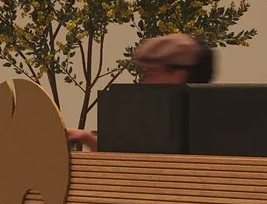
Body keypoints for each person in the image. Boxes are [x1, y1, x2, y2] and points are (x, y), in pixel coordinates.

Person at [69, 33, 215, 148]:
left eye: (151, 73)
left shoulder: (203, 120)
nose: (144, 79)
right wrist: (86, 138)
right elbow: (124, 154)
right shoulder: (154, 110)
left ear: (178, 74)